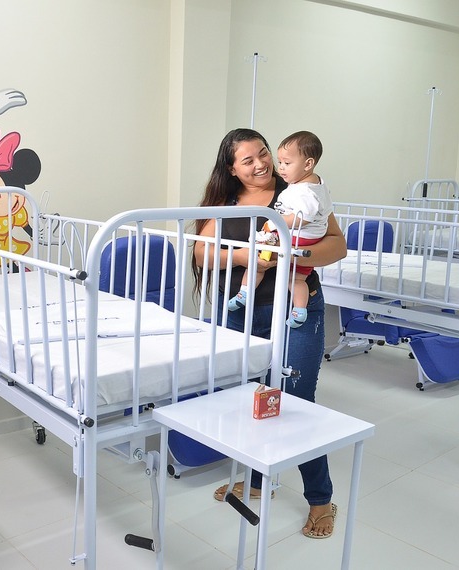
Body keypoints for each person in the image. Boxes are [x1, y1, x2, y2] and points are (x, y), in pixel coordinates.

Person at [191, 128, 347, 539]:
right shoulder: (224, 205)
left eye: (264, 153)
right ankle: (259, 481)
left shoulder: (296, 190)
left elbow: (337, 245)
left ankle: (320, 498)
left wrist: (291, 255)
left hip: (297, 308)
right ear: (231, 169)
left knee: (297, 402)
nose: (261, 164)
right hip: (244, 312)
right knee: (252, 398)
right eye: (248, 160)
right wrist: (248, 257)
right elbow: (201, 253)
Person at [227, 131, 333, 328]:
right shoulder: (313, 183)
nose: (281, 167)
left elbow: (304, 218)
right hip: (304, 239)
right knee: (296, 279)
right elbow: (201, 254)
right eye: (280, 162)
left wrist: (275, 222)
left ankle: (245, 292)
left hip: (299, 239)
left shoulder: (304, 191)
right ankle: (299, 310)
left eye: (287, 163)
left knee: (259, 259)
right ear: (232, 169)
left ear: (308, 164)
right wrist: (240, 256)